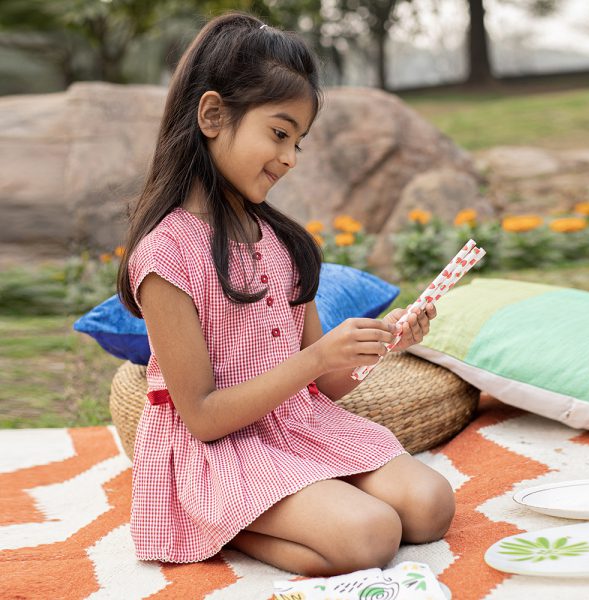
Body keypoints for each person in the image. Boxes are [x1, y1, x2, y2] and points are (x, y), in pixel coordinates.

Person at [116, 11, 455, 577]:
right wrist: (317, 358)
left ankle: (303, 504)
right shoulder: (166, 255)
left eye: (298, 141)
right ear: (213, 115)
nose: (290, 159)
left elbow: (324, 384)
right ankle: (217, 523)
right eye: (279, 133)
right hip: (222, 448)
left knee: (430, 506)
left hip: (299, 427)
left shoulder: (284, 243)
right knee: (370, 535)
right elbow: (200, 417)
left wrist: (380, 343)